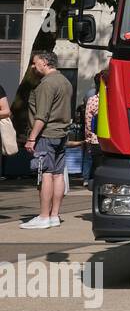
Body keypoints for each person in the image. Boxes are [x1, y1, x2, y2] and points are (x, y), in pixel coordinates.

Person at [21, 50, 74, 230]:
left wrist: (31, 138)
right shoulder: (65, 82)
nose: (33, 66)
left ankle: (44, 216)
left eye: (35, 63)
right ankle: (54, 215)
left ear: (44, 62)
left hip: (46, 135)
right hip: (61, 134)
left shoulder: (46, 84)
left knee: (45, 174)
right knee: (58, 174)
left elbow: (41, 116)